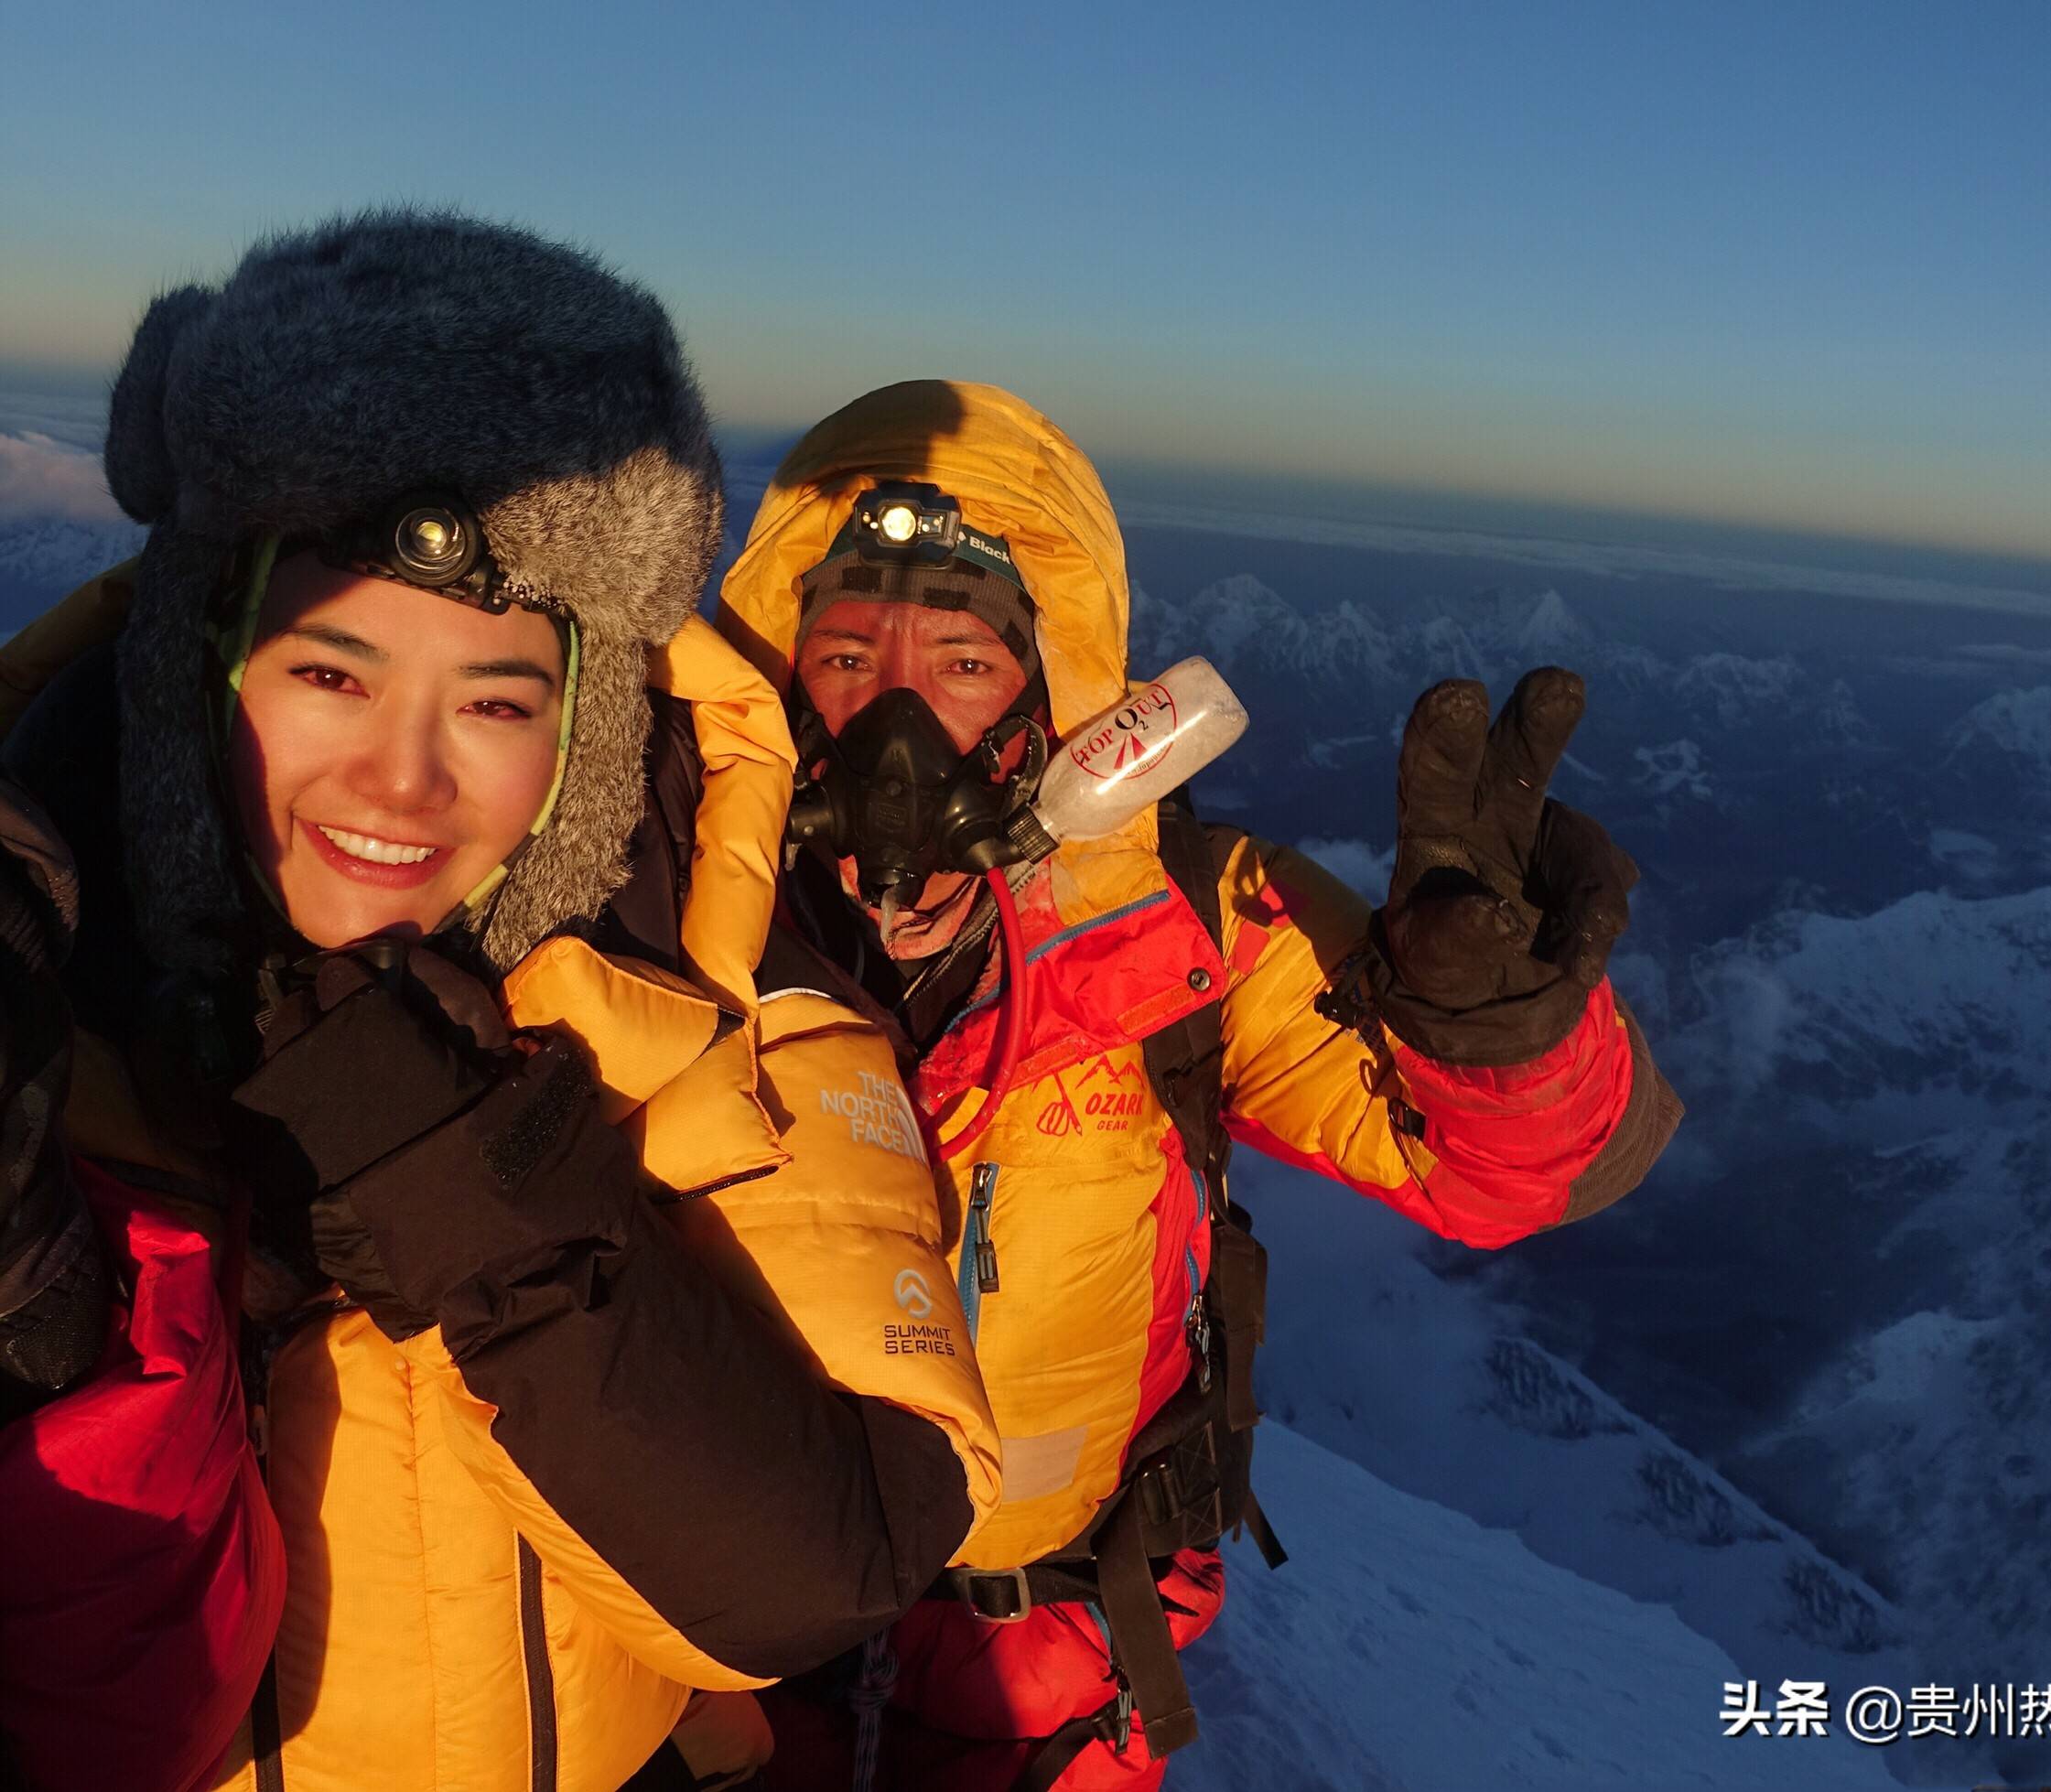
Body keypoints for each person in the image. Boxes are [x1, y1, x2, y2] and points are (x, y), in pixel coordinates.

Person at [0, 216, 999, 1792]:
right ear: (202, 669)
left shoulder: (714, 983)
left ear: (586, 744)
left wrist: (480, 1186)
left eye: (493, 703)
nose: (402, 779)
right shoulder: (43, 985)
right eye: (328, 675)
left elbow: (846, 1547)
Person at [713, 381, 1685, 1790]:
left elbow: (1503, 1174)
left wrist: (1502, 1036)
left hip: (1053, 1691)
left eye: (966, 664)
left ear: (1054, 698)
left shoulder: (1188, 927)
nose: (897, 722)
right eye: (848, 652)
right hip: (729, 1659)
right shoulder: (688, 926)